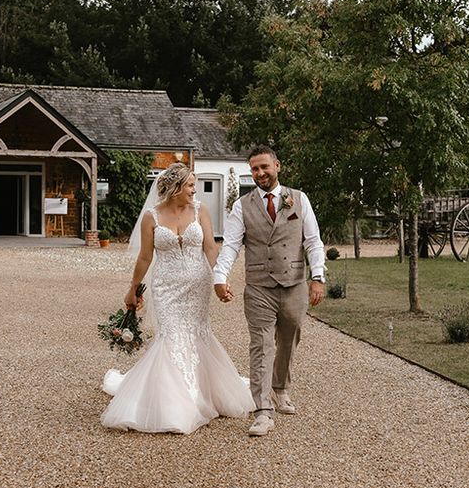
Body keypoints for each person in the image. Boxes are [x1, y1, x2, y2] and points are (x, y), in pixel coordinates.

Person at [101, 163, 255, 434]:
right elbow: (145, 257)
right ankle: (178, 402)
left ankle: (204, 392)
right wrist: (133, 289)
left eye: (194, 185)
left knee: (197, 334)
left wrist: (220, 280)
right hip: (166, 288)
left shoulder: (200, 211)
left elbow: (210, 247)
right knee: (171, 337)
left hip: (198, 286)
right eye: (190, 186)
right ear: (174, 189)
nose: (195, 190)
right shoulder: (152, 217)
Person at [213, 146, 326, 437]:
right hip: (259, 286)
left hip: (294, 284)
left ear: (277, 165)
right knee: (261, 345)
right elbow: (230, 245)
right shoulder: (242, 205)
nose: (260, 173)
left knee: (289, 337)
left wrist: (318, 277)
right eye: (254, 169)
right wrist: (220, 276)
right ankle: (262, 410)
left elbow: (312, 241)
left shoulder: (299, 199)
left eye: (264, 166)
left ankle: (280, 388)